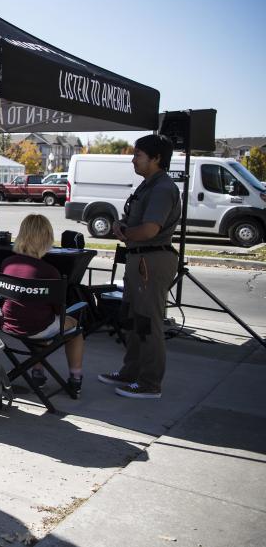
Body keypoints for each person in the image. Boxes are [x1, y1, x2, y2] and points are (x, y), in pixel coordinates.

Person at [99, 134, 180, 399]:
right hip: (139, 258)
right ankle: (131, 372)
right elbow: (136, 223)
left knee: (148, 322)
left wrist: (126, 233)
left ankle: (149, 383)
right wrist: (121, 226)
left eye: (138, 155)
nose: (133, 159)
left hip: (151, 259)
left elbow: (149, 229)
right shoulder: (147, 186)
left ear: (156, 158)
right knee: (134, 320)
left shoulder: (162, 188)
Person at [0, 214, 84, 393]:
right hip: (36, 328)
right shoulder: (49, 271)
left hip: (8, 324)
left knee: (39, 317)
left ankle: (38, 372)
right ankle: (75, 378)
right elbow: (57, 309)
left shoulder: (6, 264)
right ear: (47, 238)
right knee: (74, 327)